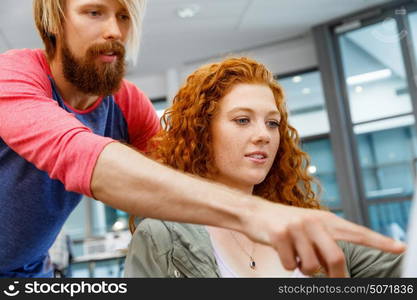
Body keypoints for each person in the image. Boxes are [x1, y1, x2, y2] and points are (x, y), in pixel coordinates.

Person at [0, 0, 404, 278]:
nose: (114, 31)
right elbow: (79, 155)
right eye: (94, 12)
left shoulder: (125, 103)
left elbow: (180, 172)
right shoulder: (12, 77)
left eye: (124, 17)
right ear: (53, 21)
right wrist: (251, 213)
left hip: (29, 270)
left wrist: (255, 199)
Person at [124, 57, 403, 278]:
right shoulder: (163, 237)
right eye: (243, 120)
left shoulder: (301, 223)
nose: (264, 135)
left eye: (272, 123)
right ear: (201, 132)